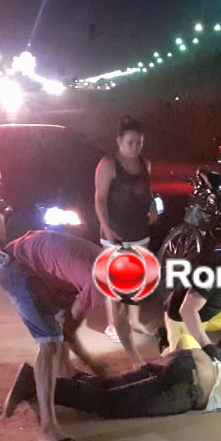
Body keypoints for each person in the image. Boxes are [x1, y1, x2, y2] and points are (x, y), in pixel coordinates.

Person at [7, 331, 221, 422]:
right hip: (186, 388)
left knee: (111, 388)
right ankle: (35, 384)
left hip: (185, 360)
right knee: (108, 405)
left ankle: (55, 383)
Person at [0, 229, 128, 441]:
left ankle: (57, 375)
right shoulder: (98, 279)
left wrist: (93, 367)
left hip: (36, 265)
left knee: (59, 329)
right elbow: (69, 328)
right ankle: (48, 432)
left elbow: (68, 325)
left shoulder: (103, 262)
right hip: (16, 267)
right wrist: (97, 368)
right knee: (51, 343)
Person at [94, 115, 157, 343]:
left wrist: (153, 207)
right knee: (115, 279)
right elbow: (99, 199)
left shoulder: (145, 163)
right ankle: (113, 325)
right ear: (119, 141)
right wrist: (107, 228)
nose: (135, 147)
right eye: (130, 142)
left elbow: (148, 191)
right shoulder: (108, 164)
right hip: (115, 231)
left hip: (139, 229)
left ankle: (134, 320)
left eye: (139, 143)